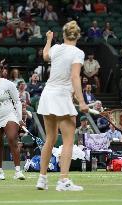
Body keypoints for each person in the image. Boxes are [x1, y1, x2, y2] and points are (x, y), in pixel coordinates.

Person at [36, 20, 88, 191]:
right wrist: (81, 101)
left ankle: (42, 179)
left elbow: (45, 55)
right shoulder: (78, 53)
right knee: (68, 141)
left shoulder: (56, 48)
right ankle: (63, 181)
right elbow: (74, 77)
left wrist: (49, 39)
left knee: (50, 138)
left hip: (48, 95)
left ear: (64, 35)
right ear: (77, 36)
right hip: (61, 96)